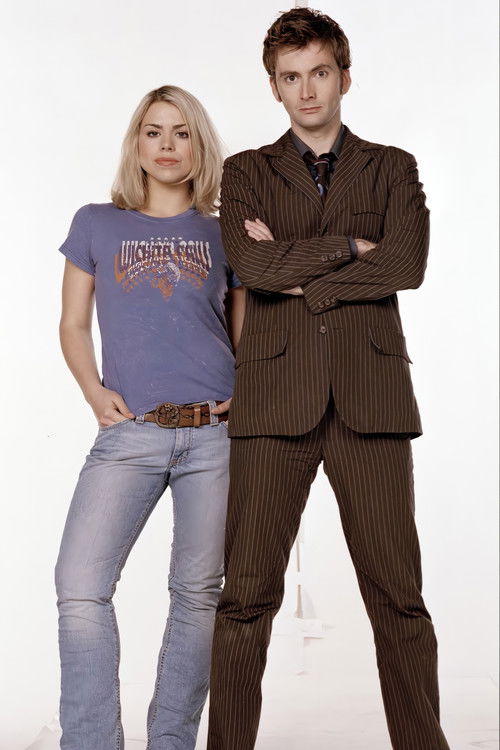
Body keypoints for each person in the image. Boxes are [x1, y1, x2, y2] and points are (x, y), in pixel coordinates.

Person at [207, 8, 450, 750]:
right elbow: (252, 266)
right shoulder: (245, 172)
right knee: (245, 600)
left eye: (319, 72)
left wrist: (303, 277)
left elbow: (406, 264)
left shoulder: (393, 166)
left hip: (370, 403)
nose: (307, 90)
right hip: (272, 404)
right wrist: (349, 247)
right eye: (291, 77)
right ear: (274, 87)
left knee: (398, 599)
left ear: (344, 77)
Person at [55, 84, 245, 750]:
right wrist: (92, 390)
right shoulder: (96, 223)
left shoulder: (222, 233)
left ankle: (171, 742)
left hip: (214, 438)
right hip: (129, 433)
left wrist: (246, 392)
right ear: (136, 143)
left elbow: (244, 336)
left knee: (197, 595)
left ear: (200, 146)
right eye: (154, 131)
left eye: (182, 132)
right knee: (80, 587)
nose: (167, 145)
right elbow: (73, 323)